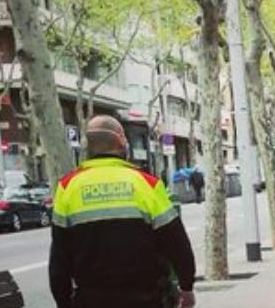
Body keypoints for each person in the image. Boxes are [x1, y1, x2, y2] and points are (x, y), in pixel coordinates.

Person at [49, 116, 196, 308]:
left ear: (88, 147)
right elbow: (177, 244)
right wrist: (186, 287)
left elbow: (59, 259)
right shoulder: (146, 184)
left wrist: (63, 302)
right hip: (146, 299)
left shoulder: (67, 187)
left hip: (92, 301)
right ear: (121, 141)